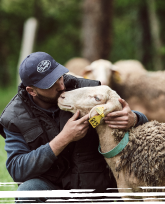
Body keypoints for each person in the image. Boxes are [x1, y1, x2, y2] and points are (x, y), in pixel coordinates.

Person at [0, 52, 149, 203]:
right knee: (28, 192)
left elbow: (131, 118)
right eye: (50, 84)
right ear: (32, 91)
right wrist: (65, 138)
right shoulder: (15, 117)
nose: (61, 86)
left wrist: (134, 118)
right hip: (56, 192)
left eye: (59, 77)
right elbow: (17, 169)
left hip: (99, 188)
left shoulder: (86, 88)